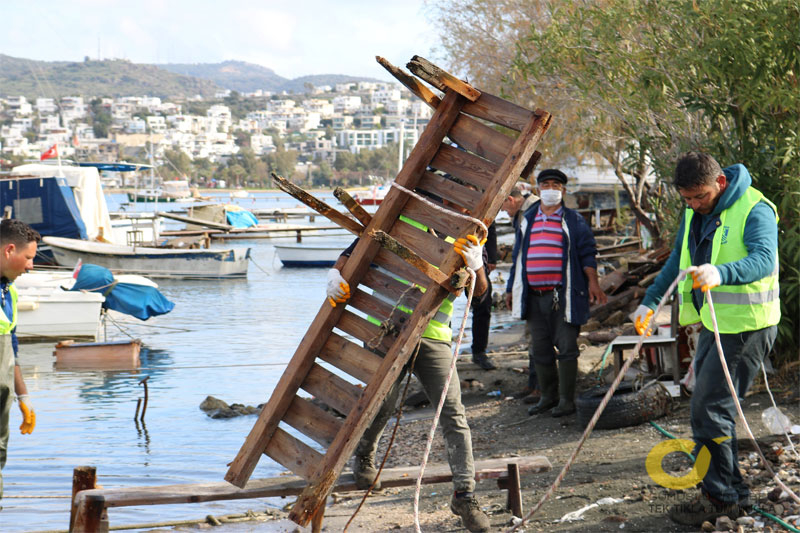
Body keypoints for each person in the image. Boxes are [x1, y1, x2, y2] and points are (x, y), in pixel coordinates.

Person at [631, 152, 780, 526]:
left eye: (700, 197)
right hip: (716, 325)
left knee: (709, 409)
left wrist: (721, 272)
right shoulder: (692, 213)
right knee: (710, 408)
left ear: (721, 183)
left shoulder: (755, 208)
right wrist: (649, 304)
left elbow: (764, 259)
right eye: (687, 200)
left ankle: (721, 499)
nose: (695, 205)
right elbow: (676, 263)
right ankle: (731, 494)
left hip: (747, 325)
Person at [326, 223, 492, 533]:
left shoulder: (471, 233)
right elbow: (350, 254)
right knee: (381, 404)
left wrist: (477, 266)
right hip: (386, 330)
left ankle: (465, 495)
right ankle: (363, 456)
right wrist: (334, 276)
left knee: (453, 412)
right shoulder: (403, 221)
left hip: (433, 336)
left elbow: (480, 296)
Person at [505, 169, 606, 418]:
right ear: (538, 190)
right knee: (540, 348)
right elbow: (518, 255)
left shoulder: (574, 220)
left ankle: (566, 400)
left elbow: (587, 251)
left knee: (567, 346)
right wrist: (510, 289)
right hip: (533, 295)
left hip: (563, 294)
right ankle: (547, 397)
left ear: (563, 190)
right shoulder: (527, 218)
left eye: (556, 185)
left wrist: (594, 283)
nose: (551, 189)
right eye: (546, 184)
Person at [0, 219, 38, 501]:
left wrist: (23, 396)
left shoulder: (9, 293)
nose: (30, 266)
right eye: (28, 258)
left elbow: (11, 349)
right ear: (9, 250)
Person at [501, 187, 540, 402]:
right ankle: (534, 384)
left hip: (537, 285)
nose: (504, 213)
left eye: (503, 207)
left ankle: (540, 387)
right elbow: (517, 256)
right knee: (532, 335)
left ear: (511, 200)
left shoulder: (533, 212)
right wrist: (509, 288)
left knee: (537, 336)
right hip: (526, 283)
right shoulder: (523, 213)